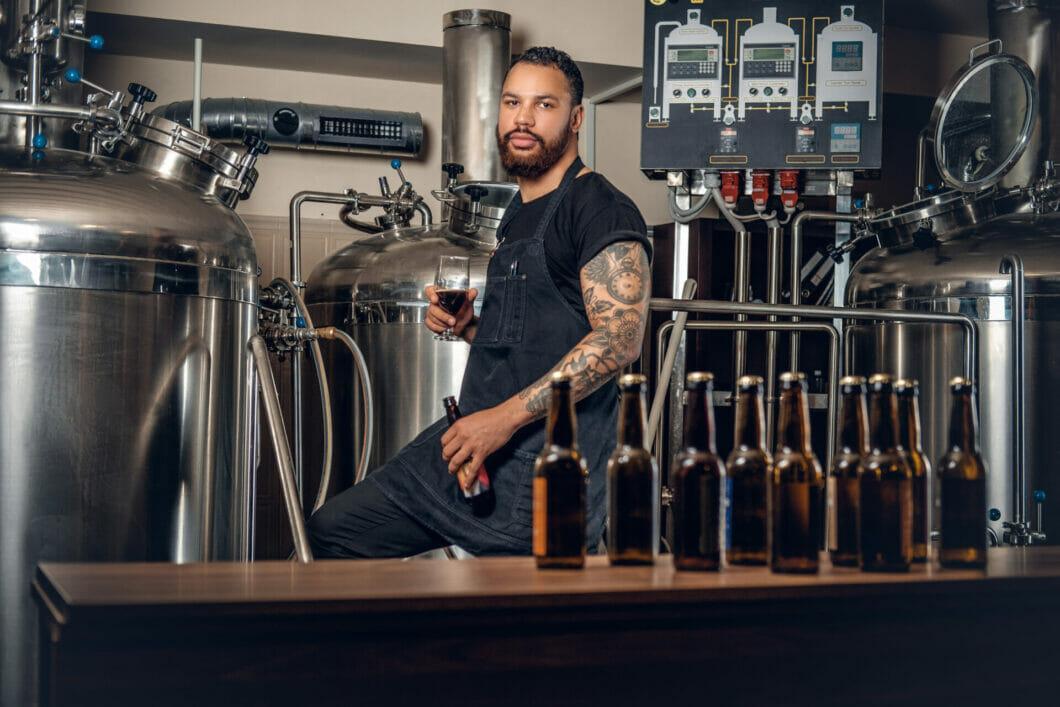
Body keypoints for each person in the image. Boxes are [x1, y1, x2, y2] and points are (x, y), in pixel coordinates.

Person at [307, 47, 652, 558]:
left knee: (514, 623)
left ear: (576, 118)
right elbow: (542, 330)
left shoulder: (599, 208)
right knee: (333, 531)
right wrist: (471, 328)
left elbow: (619, 340)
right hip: (472, 444)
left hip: (542, 470)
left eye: (544, 105)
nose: (524, 119)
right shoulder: (519, 212)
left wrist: (503, 421)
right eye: (513, 103)